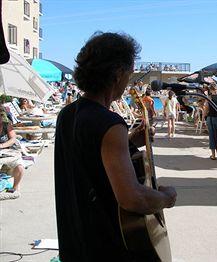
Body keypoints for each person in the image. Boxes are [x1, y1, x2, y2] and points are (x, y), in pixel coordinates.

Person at [54, 32, 177, 262]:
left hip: (75, 243)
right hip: (107, 246)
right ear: (117, 74)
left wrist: (129, 141)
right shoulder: (110, 124)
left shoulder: (67, 114)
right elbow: (133, 198)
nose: (128, 81)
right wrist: (166, 199)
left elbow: (88, 159)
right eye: (129, 74)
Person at [0, 106, 24, 198]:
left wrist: (2, 145)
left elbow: (13, 139)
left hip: (7, 151)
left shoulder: (7, 125)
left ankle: (15, 187)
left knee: (20, 167)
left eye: (1, 115)